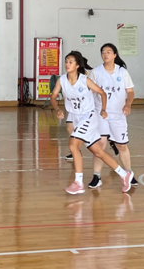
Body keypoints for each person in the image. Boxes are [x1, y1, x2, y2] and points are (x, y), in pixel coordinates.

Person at [49, 51, 134, 195]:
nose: (67, 64)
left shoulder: (85, 80)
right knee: (98, 152)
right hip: (76, 118)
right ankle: (124, 174)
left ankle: (78, 182)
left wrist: (103, 109)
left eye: (70, 62)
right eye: (66, 61)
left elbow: (102, 93)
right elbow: (53, 97)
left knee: (73, 144)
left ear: (77, 65)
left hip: (88, 117)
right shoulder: (62, 80)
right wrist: (57, 109)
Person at [88, 43, 137, 189]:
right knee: (100, 144)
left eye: (109, 52)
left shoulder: (122, 72)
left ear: (115, 55)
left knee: (122, 145)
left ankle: (129, 173)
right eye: (103, 52)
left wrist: (128, 104)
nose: (105, 54)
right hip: (101, 113)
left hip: (118, 114)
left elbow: (130, 92)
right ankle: (96, 176)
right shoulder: (96, 72)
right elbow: (89, 91)